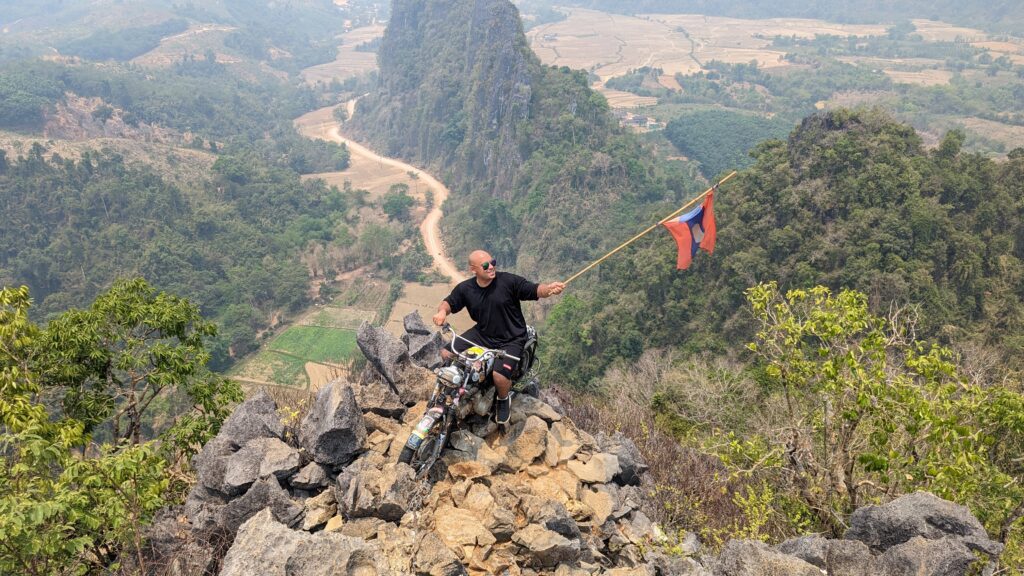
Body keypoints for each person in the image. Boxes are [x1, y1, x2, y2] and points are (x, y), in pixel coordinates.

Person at [432, 250, 565, 424]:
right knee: (446, 353)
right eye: (486, 265)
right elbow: (449, 302)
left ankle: (503, 399)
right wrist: (442, 312)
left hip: (512, 338)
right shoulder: (466, 289)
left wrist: (549, 289)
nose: (491, 267)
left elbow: (534, 289)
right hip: (483, 334)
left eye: (493, 262)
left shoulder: (508, 281)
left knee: (499, 376)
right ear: (473, 269)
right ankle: (452, 387)